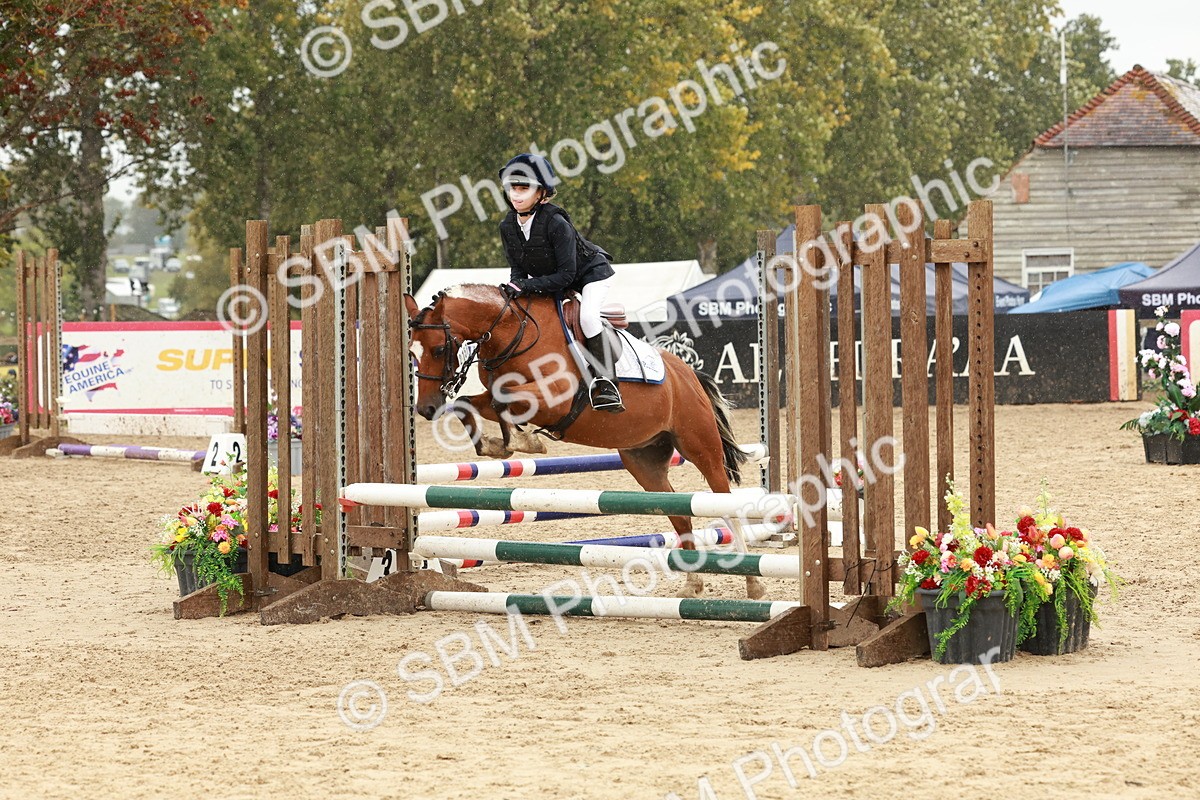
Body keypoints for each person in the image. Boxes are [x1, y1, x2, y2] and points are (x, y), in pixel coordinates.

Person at [497, 153, 624, 412]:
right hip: (555, 279)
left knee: (588, 317)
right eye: (513, 188)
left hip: (589, 274)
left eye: (524, 188)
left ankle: (607, 383)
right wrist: (516, 288)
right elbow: (517, 269)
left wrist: (527, 286)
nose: (517, 195)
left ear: (541, 193)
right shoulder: (507, 226)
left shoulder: (556, 222)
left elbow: (567, 275)